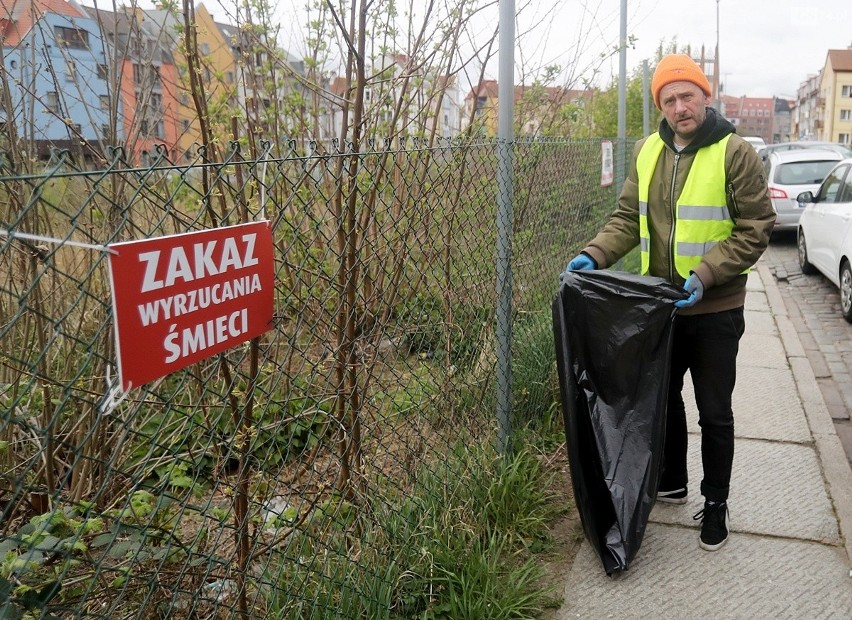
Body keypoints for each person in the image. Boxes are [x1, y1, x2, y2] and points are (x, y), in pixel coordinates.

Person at [563, 53, 775, 552]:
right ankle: (673, 480)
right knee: (663, 398)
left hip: (716, 307)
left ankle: (716, 504)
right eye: (669, 99)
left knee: (715, 411)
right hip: (660, 306)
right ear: (660, 105)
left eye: (688, 95)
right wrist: (594, 254)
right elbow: (624, 219)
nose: (680, 106)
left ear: (706, 96)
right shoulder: (646, 152)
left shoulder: (735, 152)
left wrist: (705, 274)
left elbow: (756, 227)